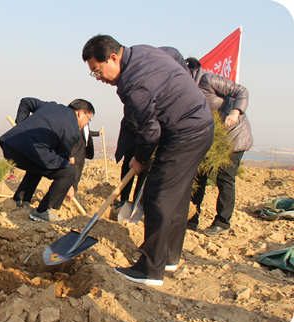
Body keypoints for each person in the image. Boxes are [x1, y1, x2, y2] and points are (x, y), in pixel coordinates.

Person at [82, 35, 213, 286]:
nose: (99, 78)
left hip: (183, 132)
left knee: (158, 196)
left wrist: (139, 159)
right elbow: (174, 53)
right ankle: (169, 258)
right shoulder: (143, 51)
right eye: (94, 74)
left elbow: (149, 131)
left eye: (98, 71)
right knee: (178, 195)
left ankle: (150, 269)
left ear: (112, 58)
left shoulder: (132, 84)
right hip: (200, 124)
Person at [0, 97, 94, 223]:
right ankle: (43, 211)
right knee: (69, 171)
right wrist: (68, 185)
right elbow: (62, 160)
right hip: (30, 151)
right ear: (80, 113)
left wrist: (20, 124)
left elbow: (26, 101)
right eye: (88, 119)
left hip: (10, 146)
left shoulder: (51, 106)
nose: (86, 124)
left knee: (42, 162)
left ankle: (20, 200)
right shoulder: (73, 130)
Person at [185, 57, 253, 236]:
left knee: (225, 178)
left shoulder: (208, 80)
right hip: (210, 138)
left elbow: (242, 91)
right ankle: (191, 217)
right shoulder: (185, 92)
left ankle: (222, 222)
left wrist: (235, 112)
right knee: (198, 175)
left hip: (233, 136)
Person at [114, 46, 187, 207]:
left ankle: (137, 202)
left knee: (144, 169)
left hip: (151, 135)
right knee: (129, 165)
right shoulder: (142, 82)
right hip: (135, 131)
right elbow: (138, 113)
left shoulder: (170, 86)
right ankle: (123, 201)